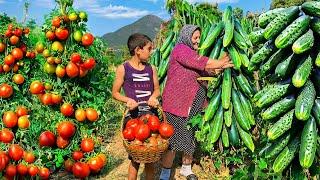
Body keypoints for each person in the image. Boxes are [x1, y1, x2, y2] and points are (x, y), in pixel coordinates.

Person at [159, 25, 233, 180]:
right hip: (177, 102)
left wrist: (217, 68)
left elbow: (205, 69)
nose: (198, 41)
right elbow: (199, 61)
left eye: (199, 37)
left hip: (193, 102)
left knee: (190, 135)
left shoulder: (193, 53)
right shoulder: (180, 50)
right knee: (172, 139)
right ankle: (165, 172)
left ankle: (186, 168)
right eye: (195, 37)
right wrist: (220, 62)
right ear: (186, 36)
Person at [112, 33, 160, 180]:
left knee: (150, 159)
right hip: (133, 117)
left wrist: (153, 97)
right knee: (136, 159)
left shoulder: (151, 68)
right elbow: (115, 93)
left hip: (150, 116)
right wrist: (127, 100)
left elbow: (157, 89)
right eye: (149, 48)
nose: (151, 51)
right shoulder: (124, 68)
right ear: (138, 50)